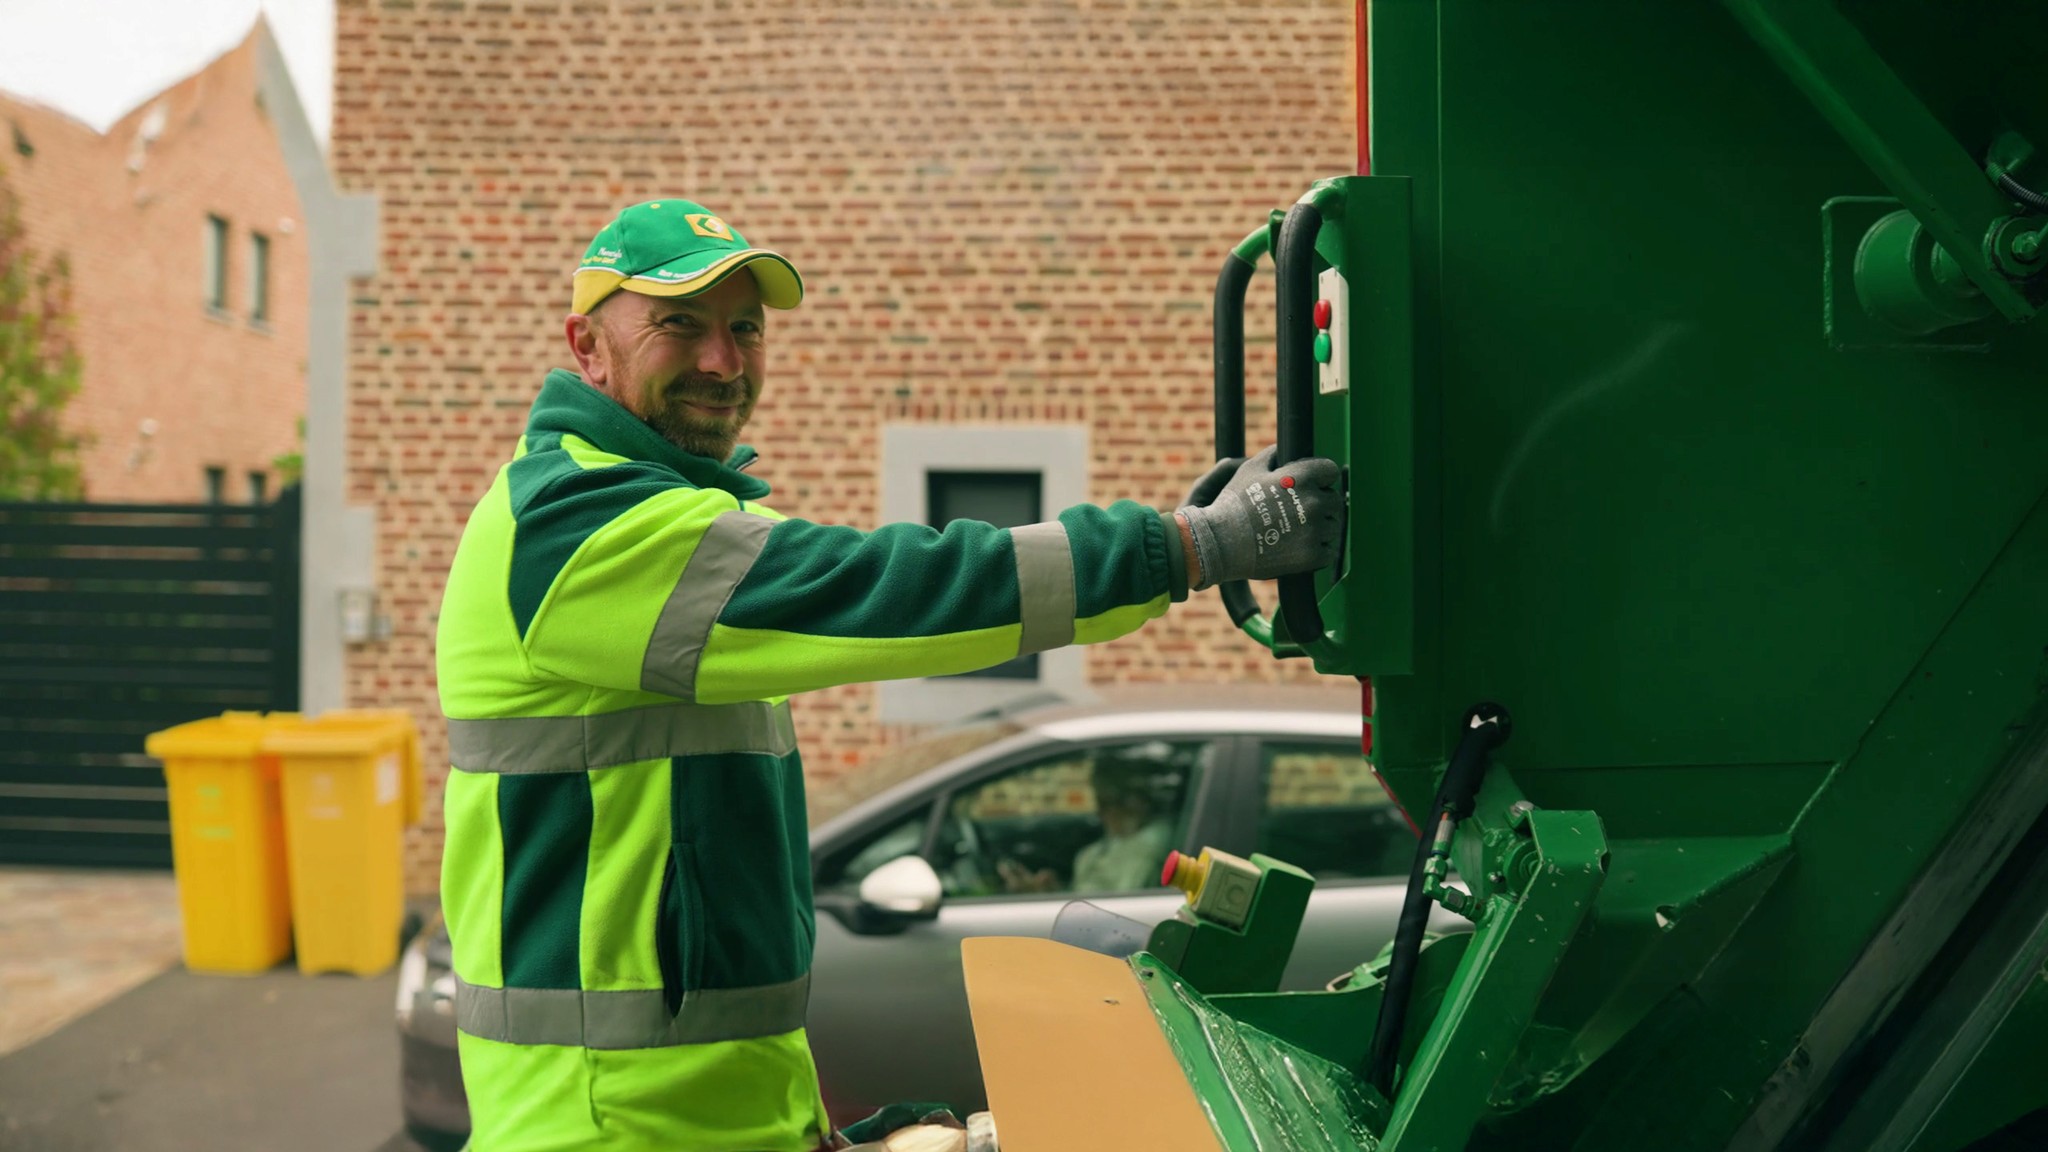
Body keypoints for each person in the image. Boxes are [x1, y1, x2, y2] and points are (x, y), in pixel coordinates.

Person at [434, 197, 1343, 1152]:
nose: (722, 360)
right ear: (587, 345)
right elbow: (893, 591)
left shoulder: (640, 518)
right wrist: (1189, 548)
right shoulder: (578, 529)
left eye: (745, 327)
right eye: (679, 324)